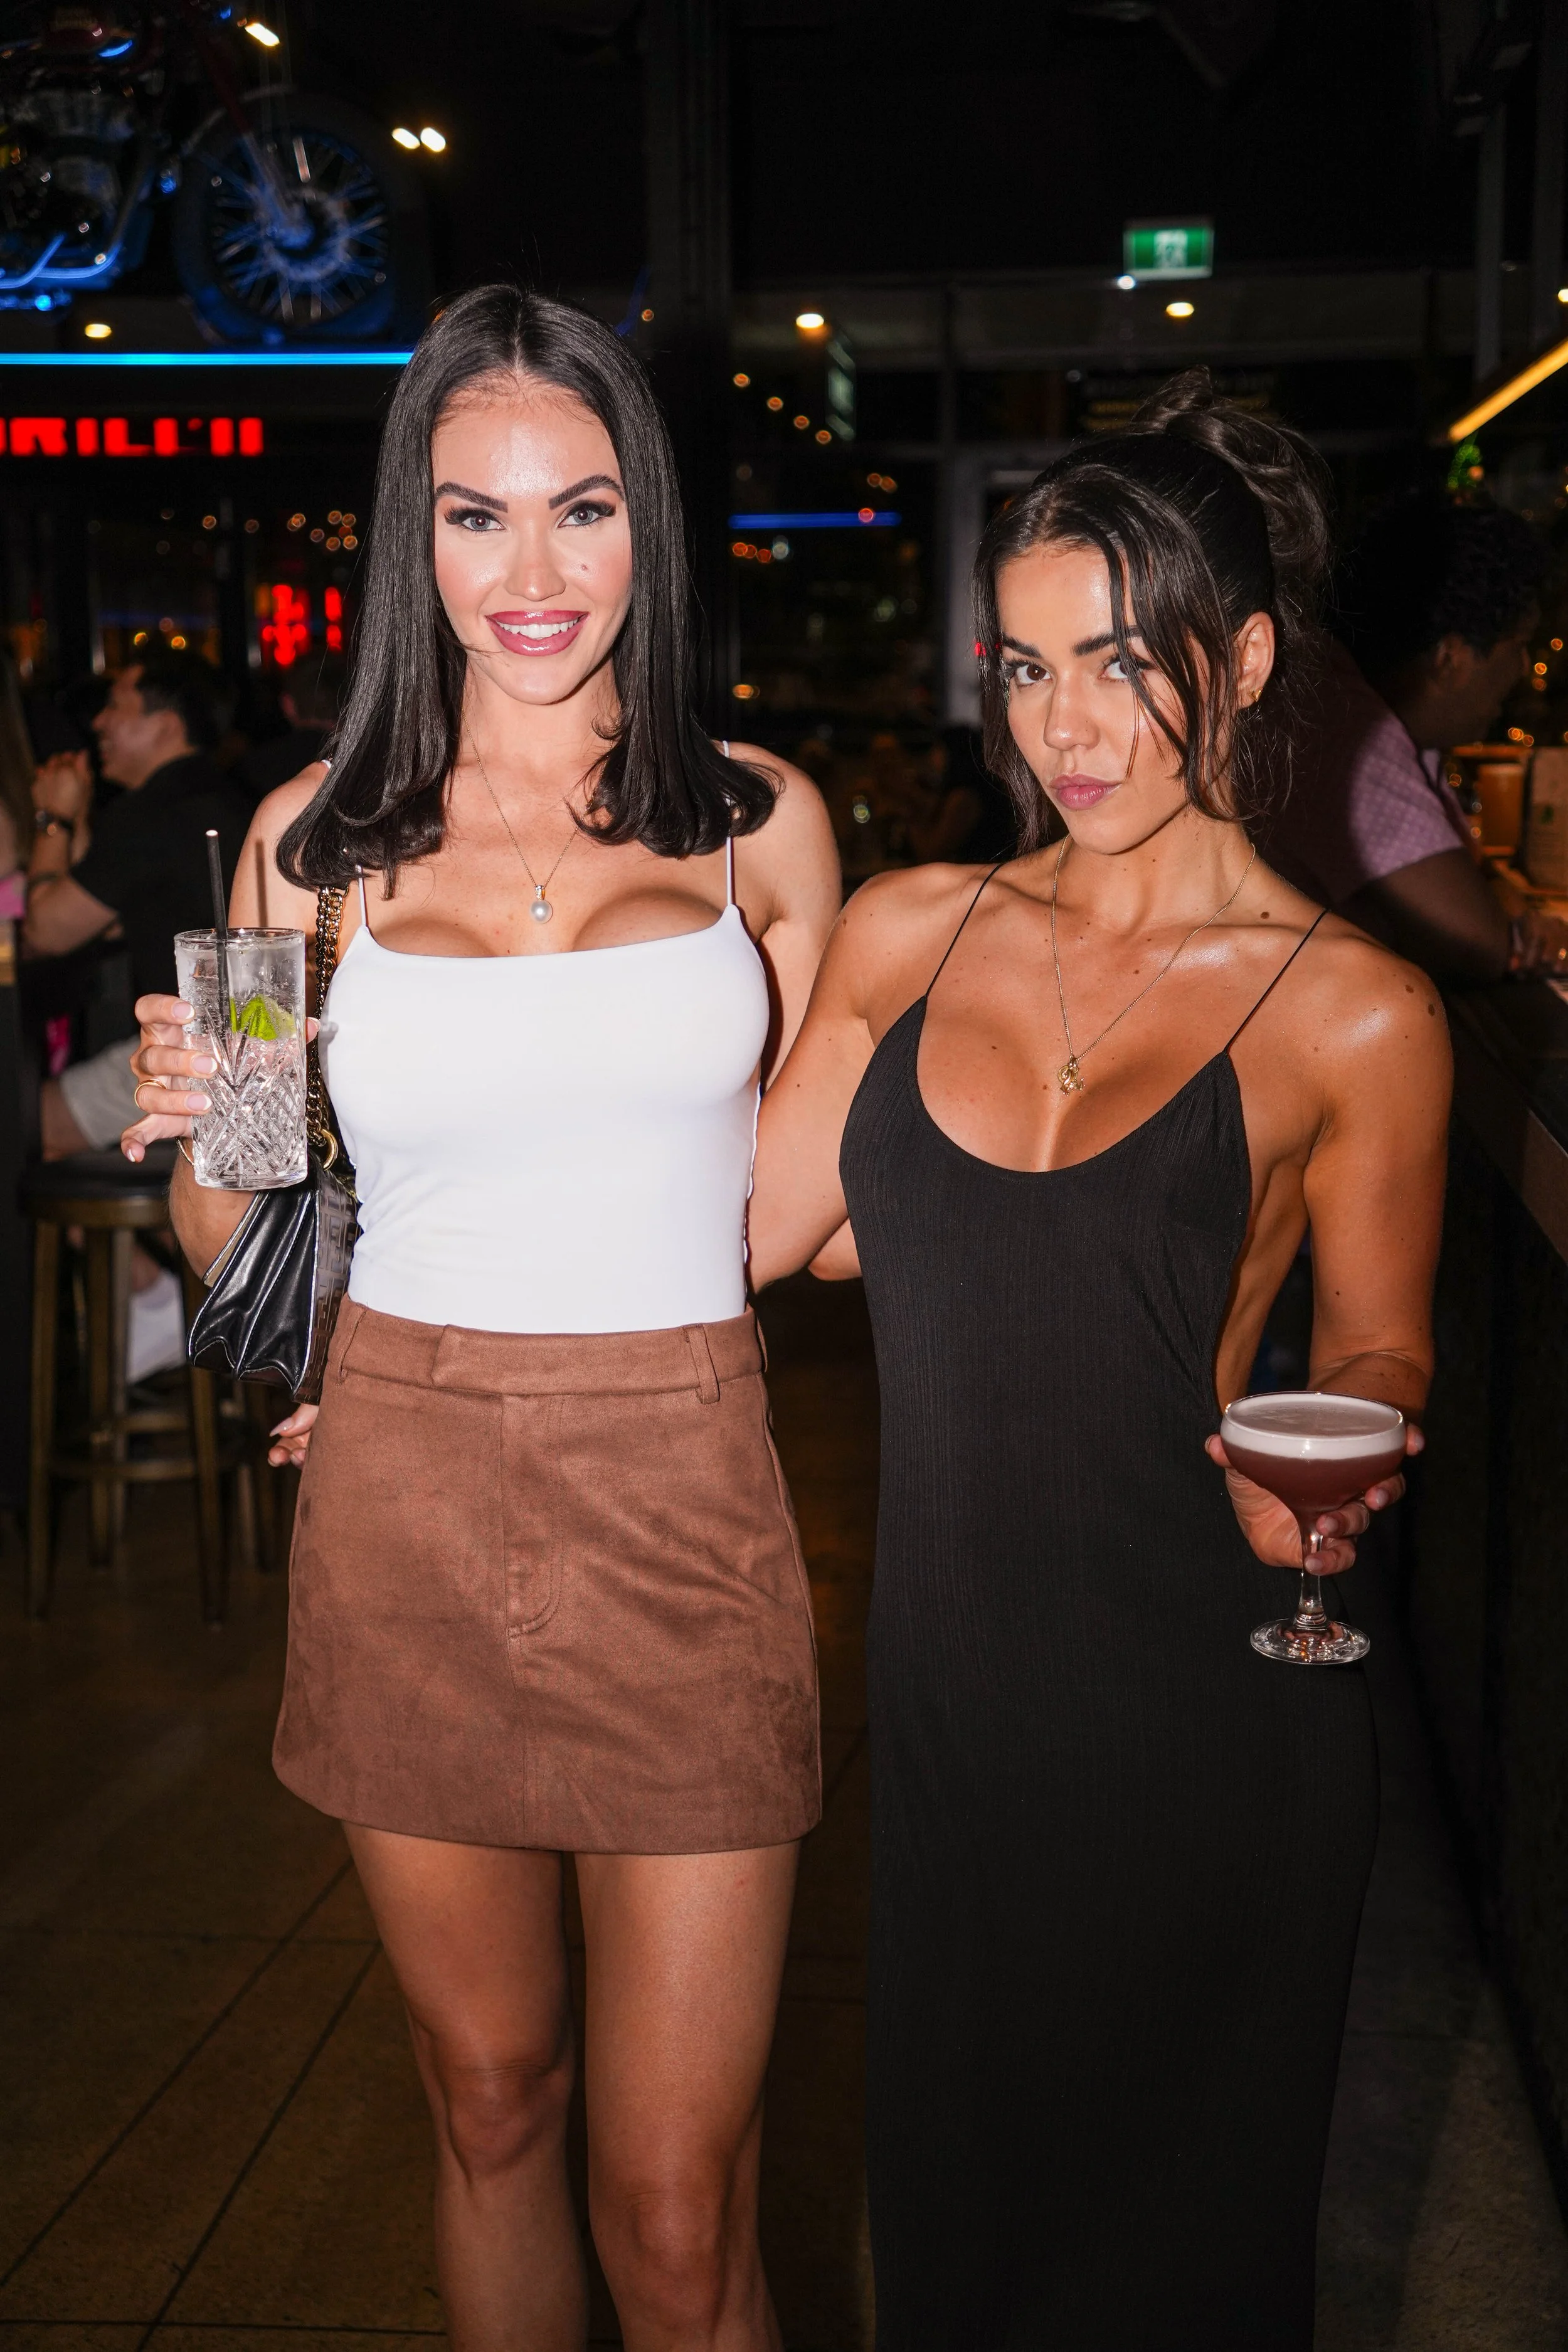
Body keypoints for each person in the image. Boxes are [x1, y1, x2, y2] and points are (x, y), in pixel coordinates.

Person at [122, 286, 839, 2351]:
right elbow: (231, 1218)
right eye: (476, 514)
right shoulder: (301, 845)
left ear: (649, 522)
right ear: (410, 538)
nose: (534, 570)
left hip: (686, 1494)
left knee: (681, 2205)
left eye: (583, 507)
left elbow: (807, 1204)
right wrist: (216, 1116)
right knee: (492, 2093)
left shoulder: (764, 824)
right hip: (408, 1501)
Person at [746, 371, 1451, 2348]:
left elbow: (1380, 1334)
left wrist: (1352, 1441)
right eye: (1028, 665)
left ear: (1242, 660)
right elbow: (724, 1238)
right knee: (960, 2258)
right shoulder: (905, 932)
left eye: (1123, 664)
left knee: (1177, 2277)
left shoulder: (1358, 1010)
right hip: (953, 1717)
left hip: (1210, 1716)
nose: (1065, 724)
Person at [1265, 490, 1546, 980]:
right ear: (1450, 658)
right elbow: (1476, 943)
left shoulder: (1341, 699)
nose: (1524, 668)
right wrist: (1513, 922)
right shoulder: (1344, 729)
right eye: (1519, 645)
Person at [23, 649, 246, 1157]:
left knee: (28, 1125)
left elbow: (46, 931)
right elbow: (103, 917)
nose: (98, 722)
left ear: (166, 725)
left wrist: (52, 818)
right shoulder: (215, 796)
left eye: (116, 707)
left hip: (194, 1047)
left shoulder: (151, 814)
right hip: (244, 1040)